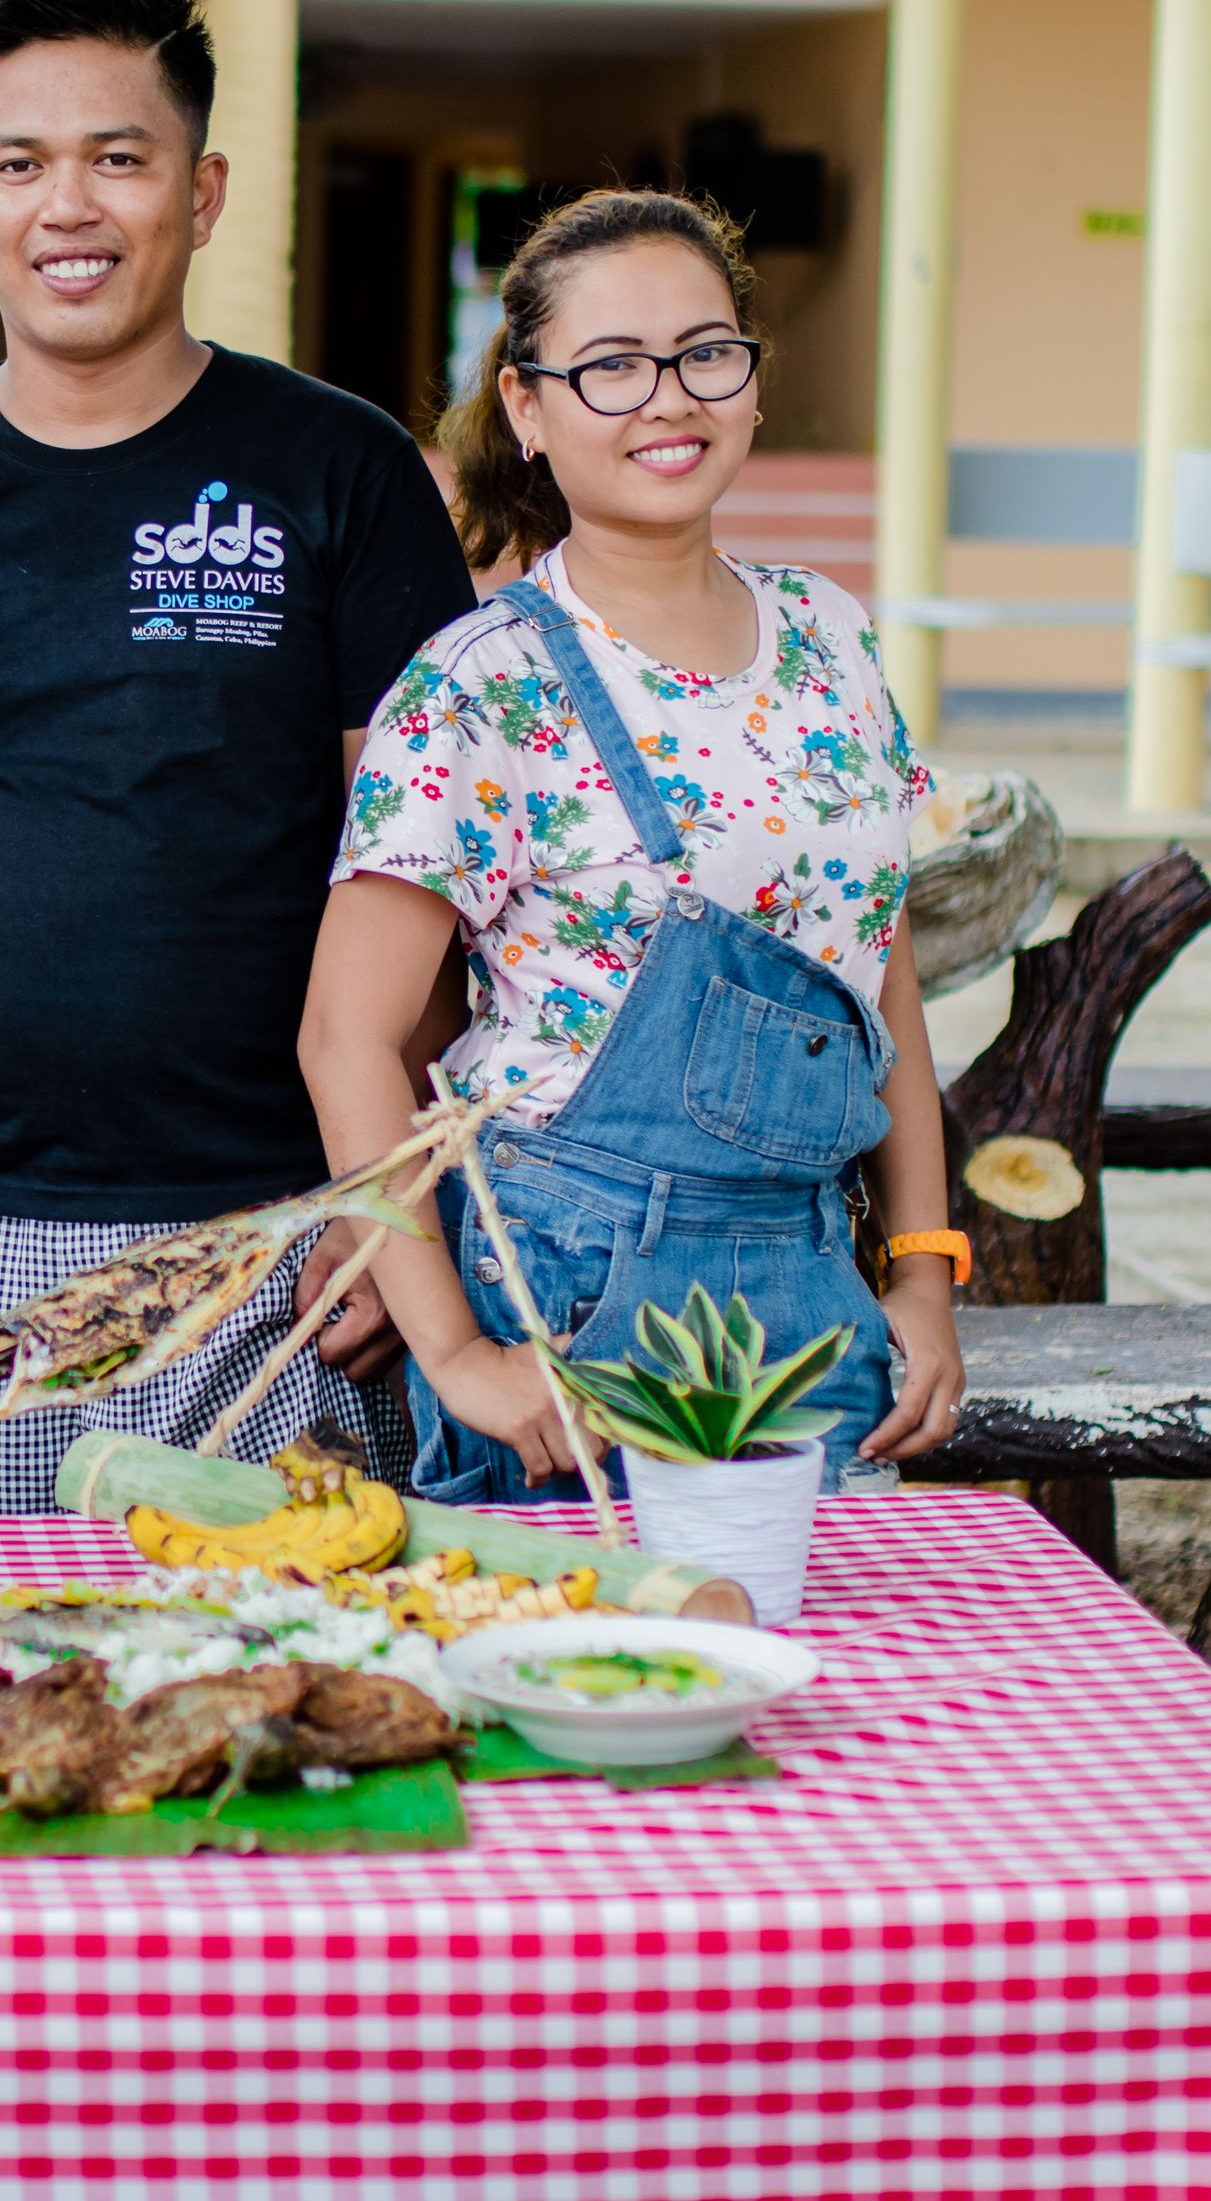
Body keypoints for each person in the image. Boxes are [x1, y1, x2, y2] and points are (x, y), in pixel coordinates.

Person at [0, 0, 476, 1515]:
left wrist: (394, 1195)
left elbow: (425, 862)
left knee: (278, 1668)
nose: (68, 207)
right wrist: (20, 956)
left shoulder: (341, 471)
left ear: (205, 189)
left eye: (120, 157)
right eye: (22, 165)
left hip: (280, 1213)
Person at [295, 187, 967, 1505]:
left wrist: (927, 1275)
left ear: (751, 384)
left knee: (808, 1683)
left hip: (811, 1274)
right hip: (570, 1284)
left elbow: (879, 975)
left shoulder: (832, 633)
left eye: (705, 353)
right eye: (610, 368)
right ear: (528, 409)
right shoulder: (482, 684)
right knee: (568, 1687)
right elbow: (346, 1037)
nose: (668, 397)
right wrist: (455, 1352)